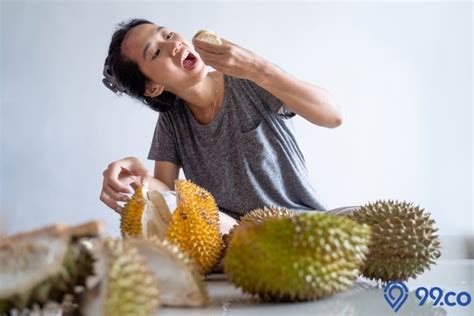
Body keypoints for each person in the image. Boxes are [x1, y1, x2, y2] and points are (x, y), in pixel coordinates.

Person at [99, 18, 345, 222]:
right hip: (240, 242)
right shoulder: (172, 121)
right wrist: (136, 178)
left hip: (306, 224)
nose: (172, 45)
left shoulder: (247, 78)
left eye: (168, 34)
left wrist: (256, 67)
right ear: (152, 88)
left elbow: (332, 116)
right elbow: (167, 194)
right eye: (156, 52)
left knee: (357, 219)